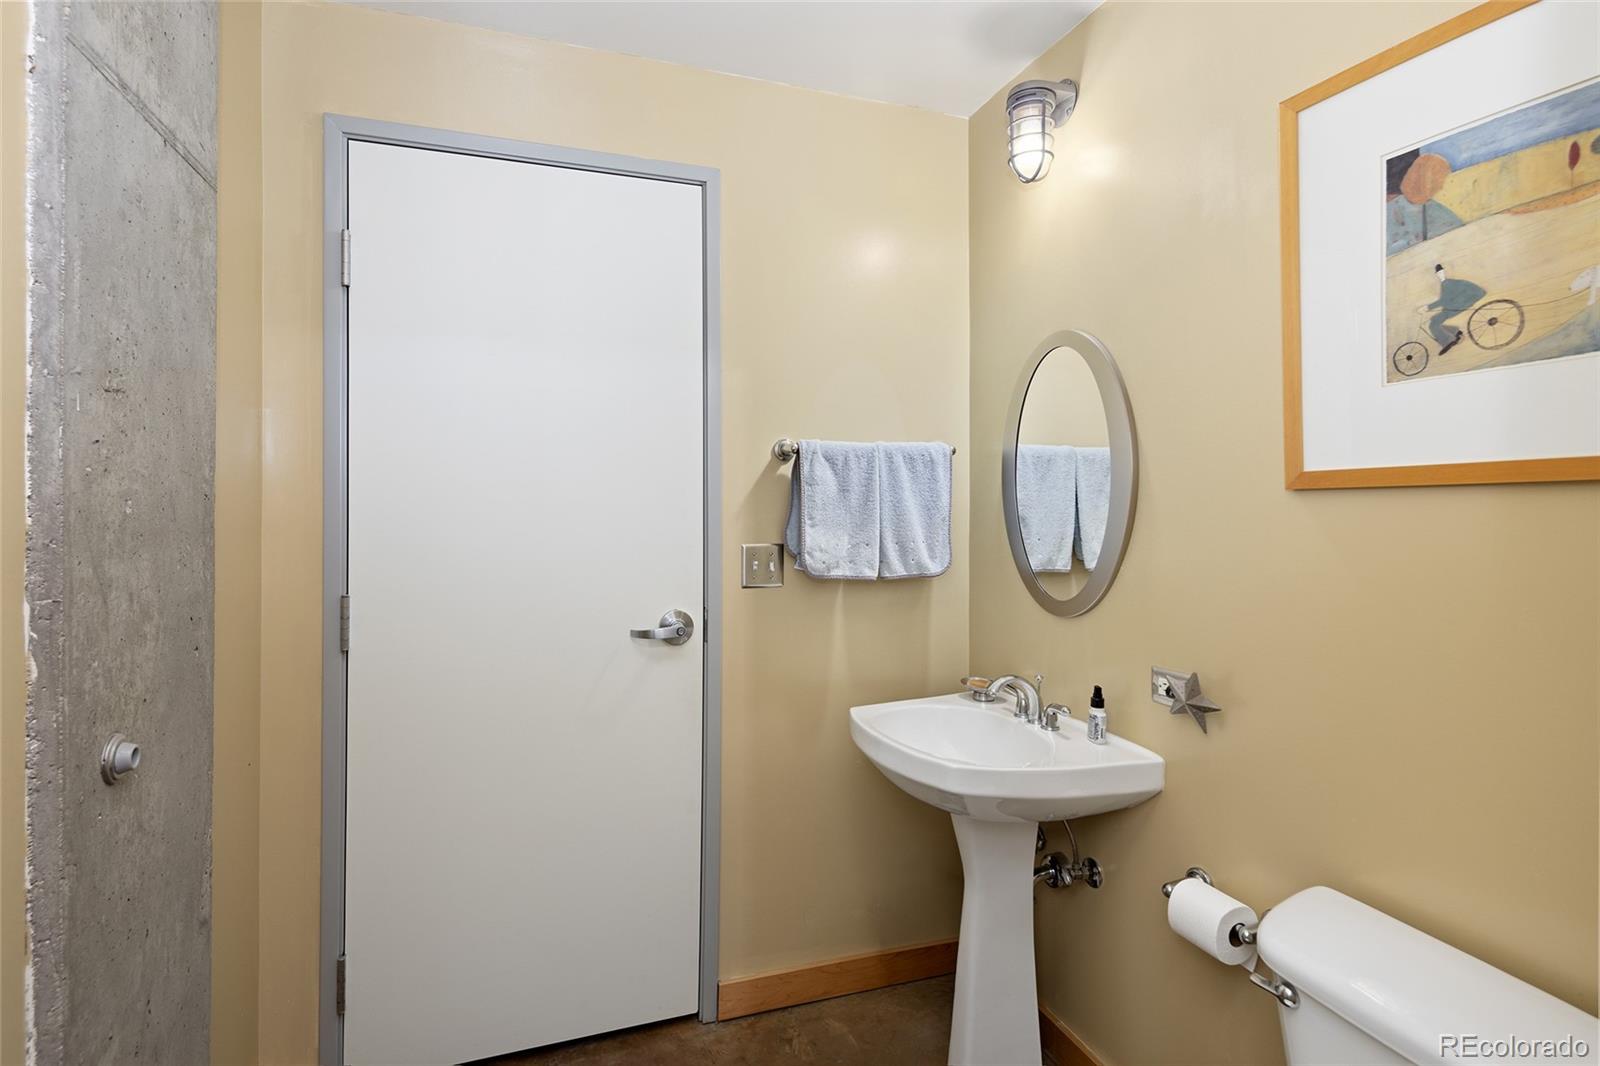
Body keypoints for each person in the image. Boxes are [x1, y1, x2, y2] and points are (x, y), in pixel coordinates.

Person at [1422, 263, 1485, 355]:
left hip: (1463, 302)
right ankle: (1456, 333)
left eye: (1441, 273)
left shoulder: (1447, 283)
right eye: (1438, 273)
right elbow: (1446, 300)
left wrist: (1427, 307)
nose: (1440, 275)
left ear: (1443, 272)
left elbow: (1443, 301)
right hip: (1463, 300)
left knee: (1433, 325)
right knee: (1434, 319)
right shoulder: (1447, 283)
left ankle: (1448, 341)